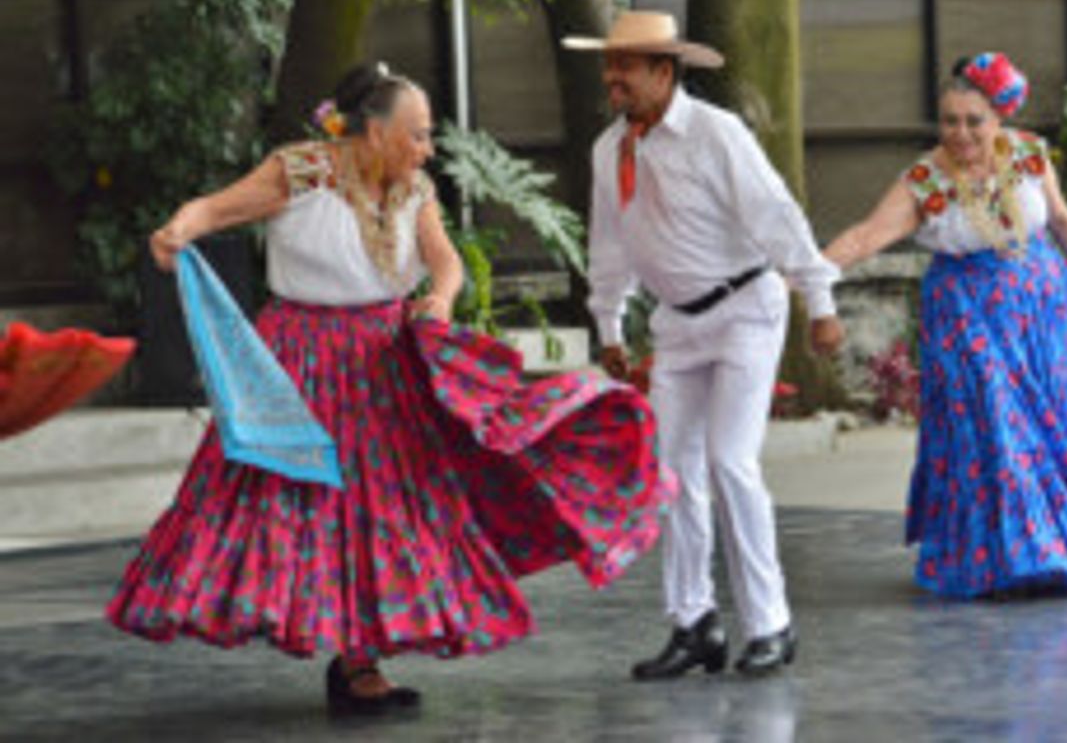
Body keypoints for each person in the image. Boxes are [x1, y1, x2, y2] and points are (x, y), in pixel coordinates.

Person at [107, 63, 672, 714]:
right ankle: (322, 638)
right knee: (300, 503)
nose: (427, 148)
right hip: (304, 360)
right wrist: (178, 231)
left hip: (384, 360)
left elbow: (445, 259)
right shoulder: (301, 172)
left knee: (387, 510)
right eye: (418, 134)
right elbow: (213, 209)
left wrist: (440, 296)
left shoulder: (414, 188)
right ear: (373, 133)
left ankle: (358, 661)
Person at [564, 11, 844, 678]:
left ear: (664, 72)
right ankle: (694, 623)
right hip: (676, 323)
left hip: (747, 308)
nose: (612, 77)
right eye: (610, 64)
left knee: (730, 461)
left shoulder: (718, 134)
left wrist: (820, 298)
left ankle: (771, 623)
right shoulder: (611, 150)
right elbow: (609, 243)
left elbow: (775, 213)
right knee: (672, 473)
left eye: (626, 65)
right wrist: (609, 324)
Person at [823, 52, 1067, 599]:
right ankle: (1003, 559)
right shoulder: (925, 180)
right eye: (950, 120)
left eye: (975, 120)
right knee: (995, 428)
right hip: (968, 316)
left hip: (1045, 313)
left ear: (998, 120)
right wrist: (801, 277)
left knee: (1047, 431)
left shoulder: (1027, 154)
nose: (962, 132)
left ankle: (1056, 551)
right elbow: (864, 238)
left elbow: (1064, 221)